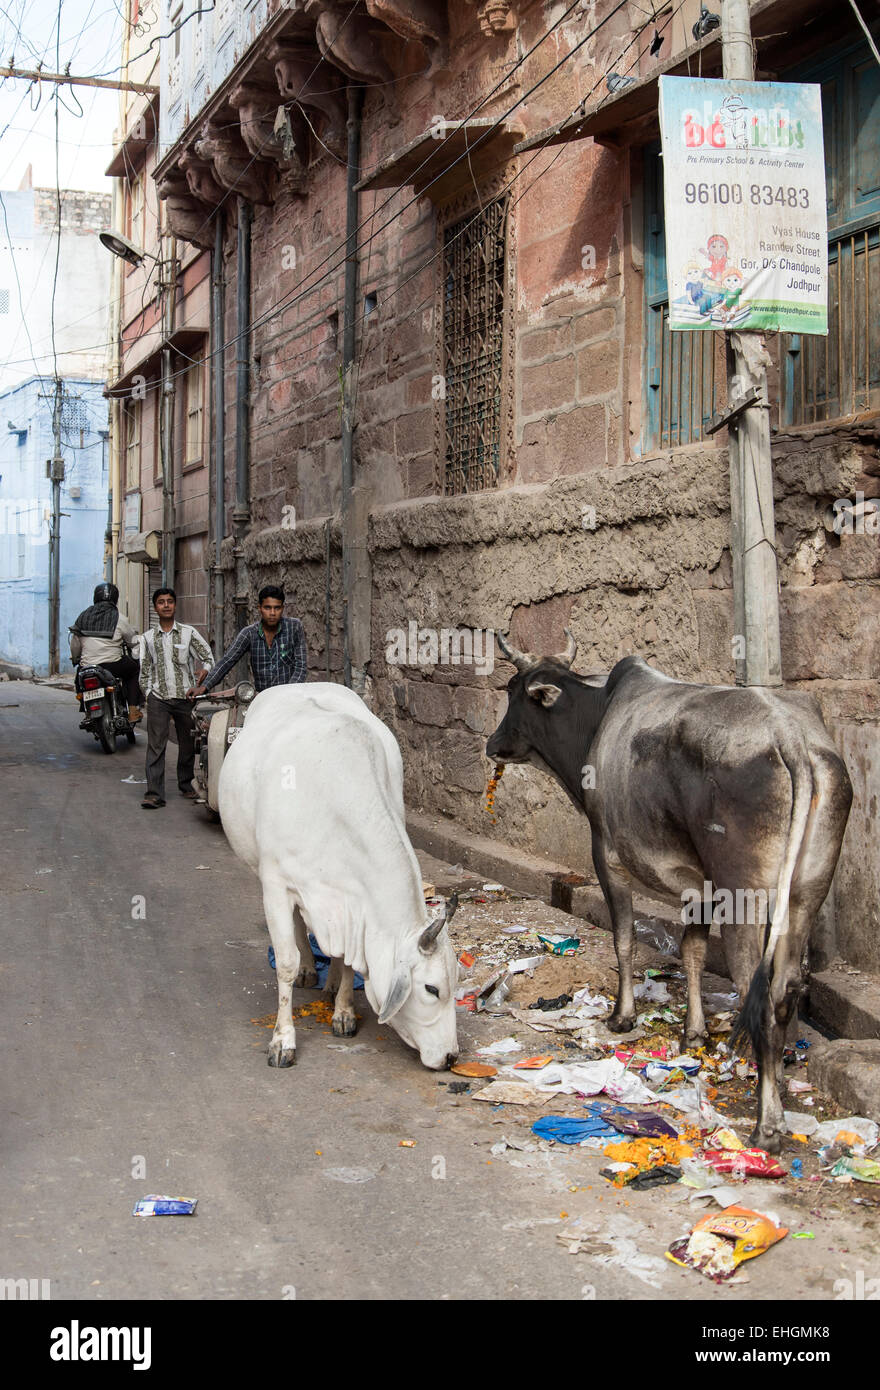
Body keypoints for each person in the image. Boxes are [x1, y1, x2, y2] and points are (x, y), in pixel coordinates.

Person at [139, 587, 215, 810]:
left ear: (175, 605)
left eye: (169, 601)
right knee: (156, 745)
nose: (166, 605)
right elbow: (144, 670)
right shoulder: (147, 638)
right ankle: (154, 794)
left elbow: (207, 656)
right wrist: (149, 693)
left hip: (185, 696)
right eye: (161, 602)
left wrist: (205, 671)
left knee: (187, 743)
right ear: (155, 607)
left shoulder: (188, 633)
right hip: (159, 699)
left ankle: (185, 783)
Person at [188, 585, 307, 699]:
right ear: (259, 608)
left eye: (277, 608)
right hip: (262, 698)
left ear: (282, 608)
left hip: (290, 696)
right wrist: (205, 686)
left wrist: (289, 693)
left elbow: (301, 667)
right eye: (267, 608)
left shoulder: (294, 627)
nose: (272, 613)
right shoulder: (249, 633)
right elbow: (227, 661)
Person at [69, 582, 143, 724]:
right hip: (113, 665)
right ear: (115, 599)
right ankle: (133, 710)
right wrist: (135, 653)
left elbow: (75, 644)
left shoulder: (83, 616)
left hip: (88, 666)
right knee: (133, 670)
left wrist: (76, 659)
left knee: (80, 678)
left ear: (95, 597)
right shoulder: (120, 618)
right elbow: (132, 640)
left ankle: (87, 710)